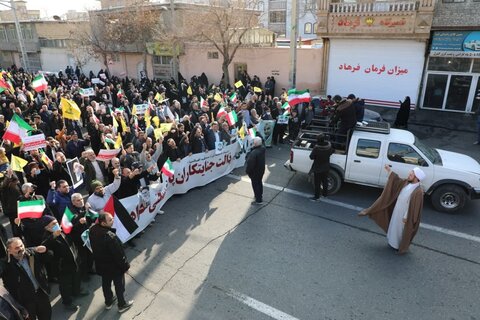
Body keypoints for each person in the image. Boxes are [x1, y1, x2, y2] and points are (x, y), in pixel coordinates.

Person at [358, 165, 425, 254]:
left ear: (416, 178)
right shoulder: (407, 182)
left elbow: (414, 207)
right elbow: (396, 180)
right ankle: (392, 242)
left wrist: (406, 216)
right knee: (394, 227)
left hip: (404, 215)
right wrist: (389, 171)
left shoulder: (418, 191)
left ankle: (398, 246)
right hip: (397, 211)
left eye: (411, 175)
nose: (409, 175)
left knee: (400, 230)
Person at [89, 213, 134, 313]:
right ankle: (122, 305)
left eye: (112, 218)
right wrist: (126, 267)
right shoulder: (110, 237)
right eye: (110, 220)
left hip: (102, 265)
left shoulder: (92, 230)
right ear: (103, 223)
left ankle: (108, 302)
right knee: (119, 286)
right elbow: (119, 255)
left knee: (106, 284)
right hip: (114, 267)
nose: (113, 220)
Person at [2, 238, 52, 320]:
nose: (21, 249)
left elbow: (49, 258)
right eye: (17, 248)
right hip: (25, 301)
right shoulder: (7, 265)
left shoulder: (32, 253)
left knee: (46, 315)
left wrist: (46, 251)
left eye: (21, 245)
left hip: (41, 293)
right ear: (9, 251)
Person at [309, 133, 334, 201]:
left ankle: (317, 196)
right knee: (325, 181)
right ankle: (325, 194)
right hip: (326, 167)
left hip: (318, 168)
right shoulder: (329, 146)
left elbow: (311, 157)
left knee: (317, 183)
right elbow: (332, 152)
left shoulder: (316, 148)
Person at [245, 137, 266, 205]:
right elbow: (262, 140)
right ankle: (260, 195)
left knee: (255, 185)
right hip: (261, 170)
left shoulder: (254, 153)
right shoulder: (263, 148)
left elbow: (250, 164)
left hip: (255, 172)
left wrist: (247, 171)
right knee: (259, 183)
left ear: (255, 143)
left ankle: (258, 199)